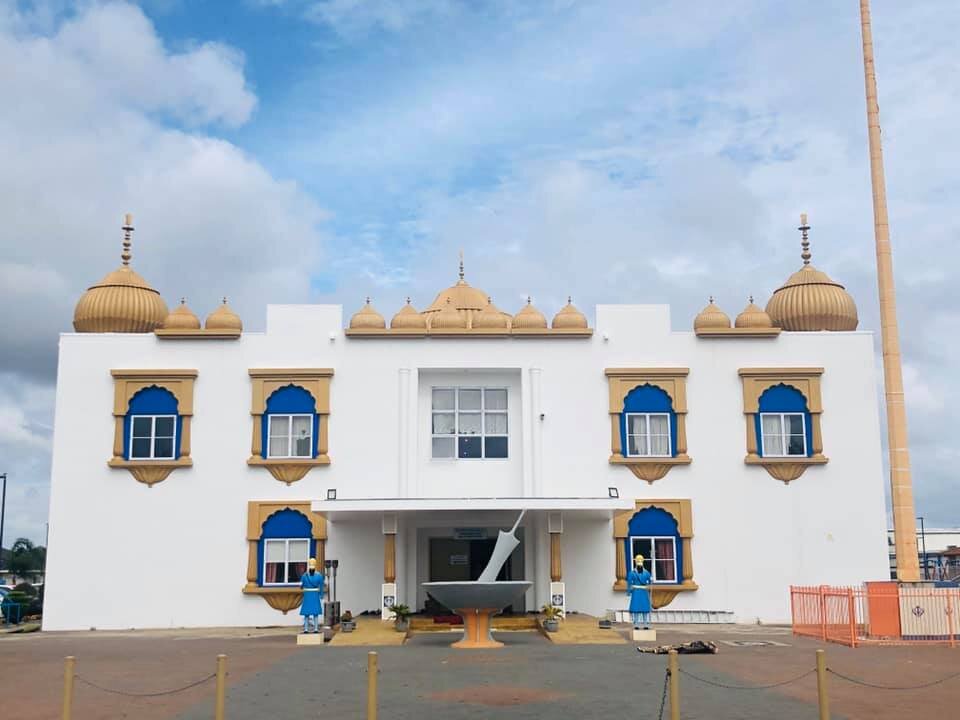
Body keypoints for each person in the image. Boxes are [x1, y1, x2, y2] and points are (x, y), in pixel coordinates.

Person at [626, 554, 652, 629]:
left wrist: (651, 580)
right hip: (636, 591)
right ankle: (636, 623)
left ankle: (645, 623)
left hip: (643, 591)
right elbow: (629, 582)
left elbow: (649, 582)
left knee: (644, 608)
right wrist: (629, 591)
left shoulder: (647, 573)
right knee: (636, 608)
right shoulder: (632, 573)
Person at [300, 558, 325, 634]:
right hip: (314, 595)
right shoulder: (319, 576)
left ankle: (306, 629)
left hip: (307, 595)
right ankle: (316, 629)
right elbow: (321, 586)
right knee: (315, 613)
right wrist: (321, 595)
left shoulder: (304, 575)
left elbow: (301, 586)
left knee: (307, 613)